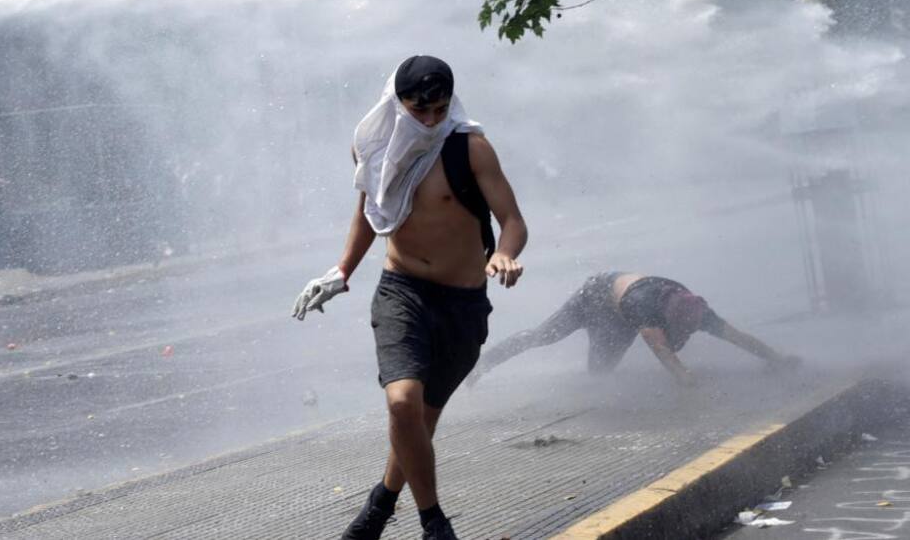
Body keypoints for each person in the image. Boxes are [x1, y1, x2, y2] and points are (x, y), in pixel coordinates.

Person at [292, 55, 528, 540]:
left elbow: (514, 221)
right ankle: (434, 524)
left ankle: (379, 505)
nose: (430, 121)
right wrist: (341, 271)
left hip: (462, 303)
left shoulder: (471, 148)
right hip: (401, 290)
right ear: (396, 102)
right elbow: (370, 213)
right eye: (419, 112)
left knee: (422, 419)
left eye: (439, 111)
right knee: (403, 403)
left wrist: (504, 254)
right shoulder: (373, 147)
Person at [468, 272, 802, 388]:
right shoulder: (648, 308)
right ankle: (483, 363)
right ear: (670, 319)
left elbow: (737, 336)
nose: (688, 335)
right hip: (593, 297)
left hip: (619, 313)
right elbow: (661, 351)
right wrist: (685, 379)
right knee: (546, 335)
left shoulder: (695, 309)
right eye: (683, 332)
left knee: (599, 373)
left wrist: (777, 358)